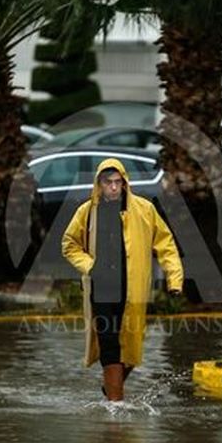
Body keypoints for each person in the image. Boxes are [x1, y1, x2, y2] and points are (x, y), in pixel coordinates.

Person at [62, 158, 183, 402]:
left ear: (125, 183)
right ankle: (115, 403)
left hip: (133, 288)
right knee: (109, 343)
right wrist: (90, 266)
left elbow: (166, 245)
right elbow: (69, 244)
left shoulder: (144, 209)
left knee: (131, 346)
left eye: (118, 182)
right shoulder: (86, 212)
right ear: (99, 184)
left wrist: (175, 280)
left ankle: (112, 388)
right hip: (102, 288)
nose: (114, 188)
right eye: (108, 183)